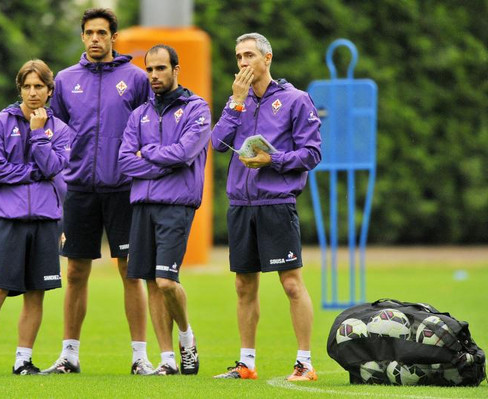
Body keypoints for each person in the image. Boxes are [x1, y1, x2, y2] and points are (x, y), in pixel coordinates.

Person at [42, 8, 152, 375]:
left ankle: (140, 356)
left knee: (130, 271)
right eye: (89, 32)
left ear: (113, 37)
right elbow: (53, 131)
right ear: (82, 37)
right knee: (74, 271)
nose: (94, 39)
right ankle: (69, 355)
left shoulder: (136, 79)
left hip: (123, 188)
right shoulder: (65, 80)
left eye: (101, 33)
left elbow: (148, 128)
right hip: (79, 190)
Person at [211, 33, 322, 381]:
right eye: (238, 57)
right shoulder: (236, 101)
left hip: (277, 203)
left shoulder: (295, 100)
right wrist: (236, 103)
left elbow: (312, 153)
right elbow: (217, 144)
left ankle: (305, 363)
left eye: (249, 56)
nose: (243, 63)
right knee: (244, 286)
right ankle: (246, 364)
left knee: (291, 284)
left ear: (267, 58)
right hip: (241, 204)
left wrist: (272, 160)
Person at [0, 59, 71, 376]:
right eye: (27, 86)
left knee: (35, 293)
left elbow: (54, 168)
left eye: (39, 86)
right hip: (7, 221)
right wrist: (33, 174)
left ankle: (23, 361)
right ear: (20, 89)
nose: (33, 92)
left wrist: (38, 136)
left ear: (49, 91)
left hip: (44, 221)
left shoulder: (61, 130)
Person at [118, 44, 210, 376]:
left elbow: (185, 154)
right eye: (150, 70)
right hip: (143, 205)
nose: (154, 75)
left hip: (176, 205)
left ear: (176, 69)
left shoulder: (197, 109)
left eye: (160, 68)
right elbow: (126, 161)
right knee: (150, 283)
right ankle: (168, 359)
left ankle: (186, 337)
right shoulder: (138, 114)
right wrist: (161, 160)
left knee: (166, 281)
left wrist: (149, 155)